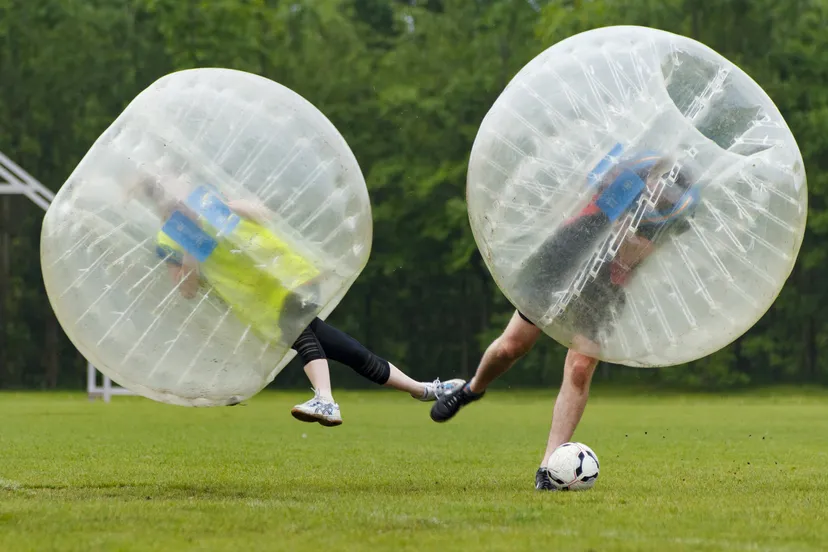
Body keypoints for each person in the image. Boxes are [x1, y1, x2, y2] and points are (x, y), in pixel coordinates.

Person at [430, 149, 700, 489]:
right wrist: (614, 218)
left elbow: (641, 252)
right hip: (565, 252)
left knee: (579, 367)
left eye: (669, 195)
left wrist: (629, 240)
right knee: (512, 346)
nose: (662, 196)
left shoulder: (680, 210)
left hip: (609, 279)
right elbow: (585, 194)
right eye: (661, 187)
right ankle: (472, 389)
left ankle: (549, 466)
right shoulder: (631, 168)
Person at [138, 171, 464, 426]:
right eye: (169, 193)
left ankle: (324, 398)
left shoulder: (207, 202)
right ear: (161, 204)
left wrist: (221, 208)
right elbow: (187, 290)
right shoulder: (168, 238)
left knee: (299, 333)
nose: (179, 194)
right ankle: (425, 390)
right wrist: (191, 247)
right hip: (259, 302)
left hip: (287, 276)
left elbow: (260, 214)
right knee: (348, 351)